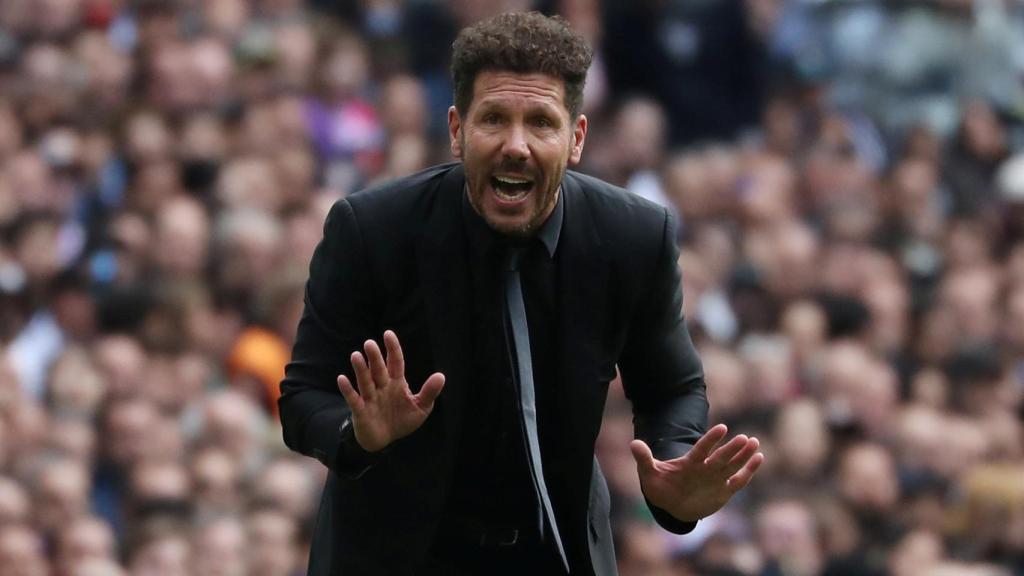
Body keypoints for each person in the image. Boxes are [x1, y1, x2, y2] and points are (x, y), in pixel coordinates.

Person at [279, 11, 763, 576]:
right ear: (457, 131)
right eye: (494, 120)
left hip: (554, 554)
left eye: (541, 122)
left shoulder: (634, 237)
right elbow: (302, 397)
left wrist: (674, 464)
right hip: (396, 557)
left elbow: (672, 388)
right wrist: (359, 436)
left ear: (576, 138)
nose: (516, 145)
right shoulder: (371, 230)